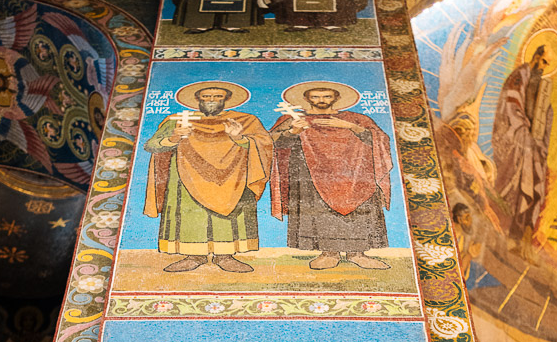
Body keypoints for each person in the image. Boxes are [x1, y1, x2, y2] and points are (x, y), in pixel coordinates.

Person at [144, 83, 273, 273]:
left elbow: (265, 144)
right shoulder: (178, 120)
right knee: (190, 214)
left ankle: (226, 256)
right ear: (197, 99)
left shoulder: (245, 120)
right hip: (185, 174)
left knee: (230, 213)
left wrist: (240, 138)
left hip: (234, 176)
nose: (211, 100)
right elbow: (152, 145)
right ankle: (193, 255)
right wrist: (172, 139)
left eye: (217, 96)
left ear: (226, 99)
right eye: (206, 96)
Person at [270, 84, 394, 269]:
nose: (321, 100)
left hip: (355, 172)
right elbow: (271, 142)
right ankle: (328, 253)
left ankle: (358, 254)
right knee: (318, 209)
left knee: (359, 209)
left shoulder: (356, 118)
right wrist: (292, 131)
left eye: (327, 96)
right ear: (307, 98)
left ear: (335, 98)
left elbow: (379, 140)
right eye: (315, 96)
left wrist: (350, 127)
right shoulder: (291, 118)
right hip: (310, 172)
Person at [491, 45, 553, 256]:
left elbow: (545, 116)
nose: (544, 67)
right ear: (535, 57)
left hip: (534, 147)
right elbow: (511, 106)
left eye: (548, 65)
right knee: (521, 187)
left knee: (536, 189)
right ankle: (512, 236)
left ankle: (525, 239)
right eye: (543, 61)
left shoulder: (542, 86)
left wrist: (540, 137)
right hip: (518, 141)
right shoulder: (519, 77)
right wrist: (524, 130)